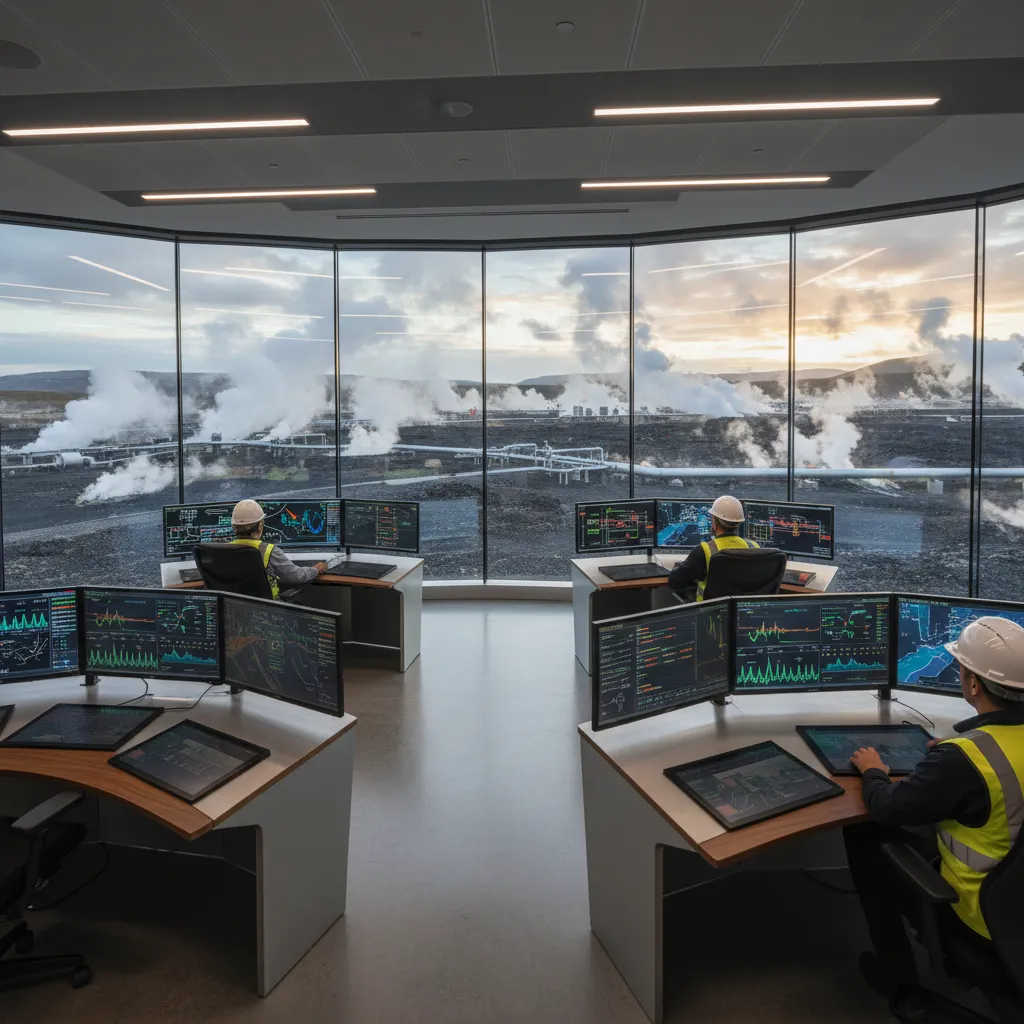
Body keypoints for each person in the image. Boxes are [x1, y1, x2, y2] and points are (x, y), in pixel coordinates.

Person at [845, 616, 1024, 1019]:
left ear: (973, 685)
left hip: (984, 918)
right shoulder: (969, 754)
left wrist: (873, 771)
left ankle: (901, 983)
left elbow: (889, 807)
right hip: (1016, 898)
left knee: (865, 835)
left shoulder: (964, 760)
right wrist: (956, 754)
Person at [230, 498, 328, 600]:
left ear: (234, 527)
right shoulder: (269, 551)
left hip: (234, 606)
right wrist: (316, 569)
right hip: (268, 606)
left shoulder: (224, 551)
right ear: (260, 526)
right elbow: (296, 576)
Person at [667, 495, 758, 602]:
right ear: (739, 523)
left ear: (714, 522)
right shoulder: (755, 548)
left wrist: (680, 566)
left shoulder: (704, 551)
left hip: (709, 611)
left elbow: (675, 581)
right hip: (744, 611)